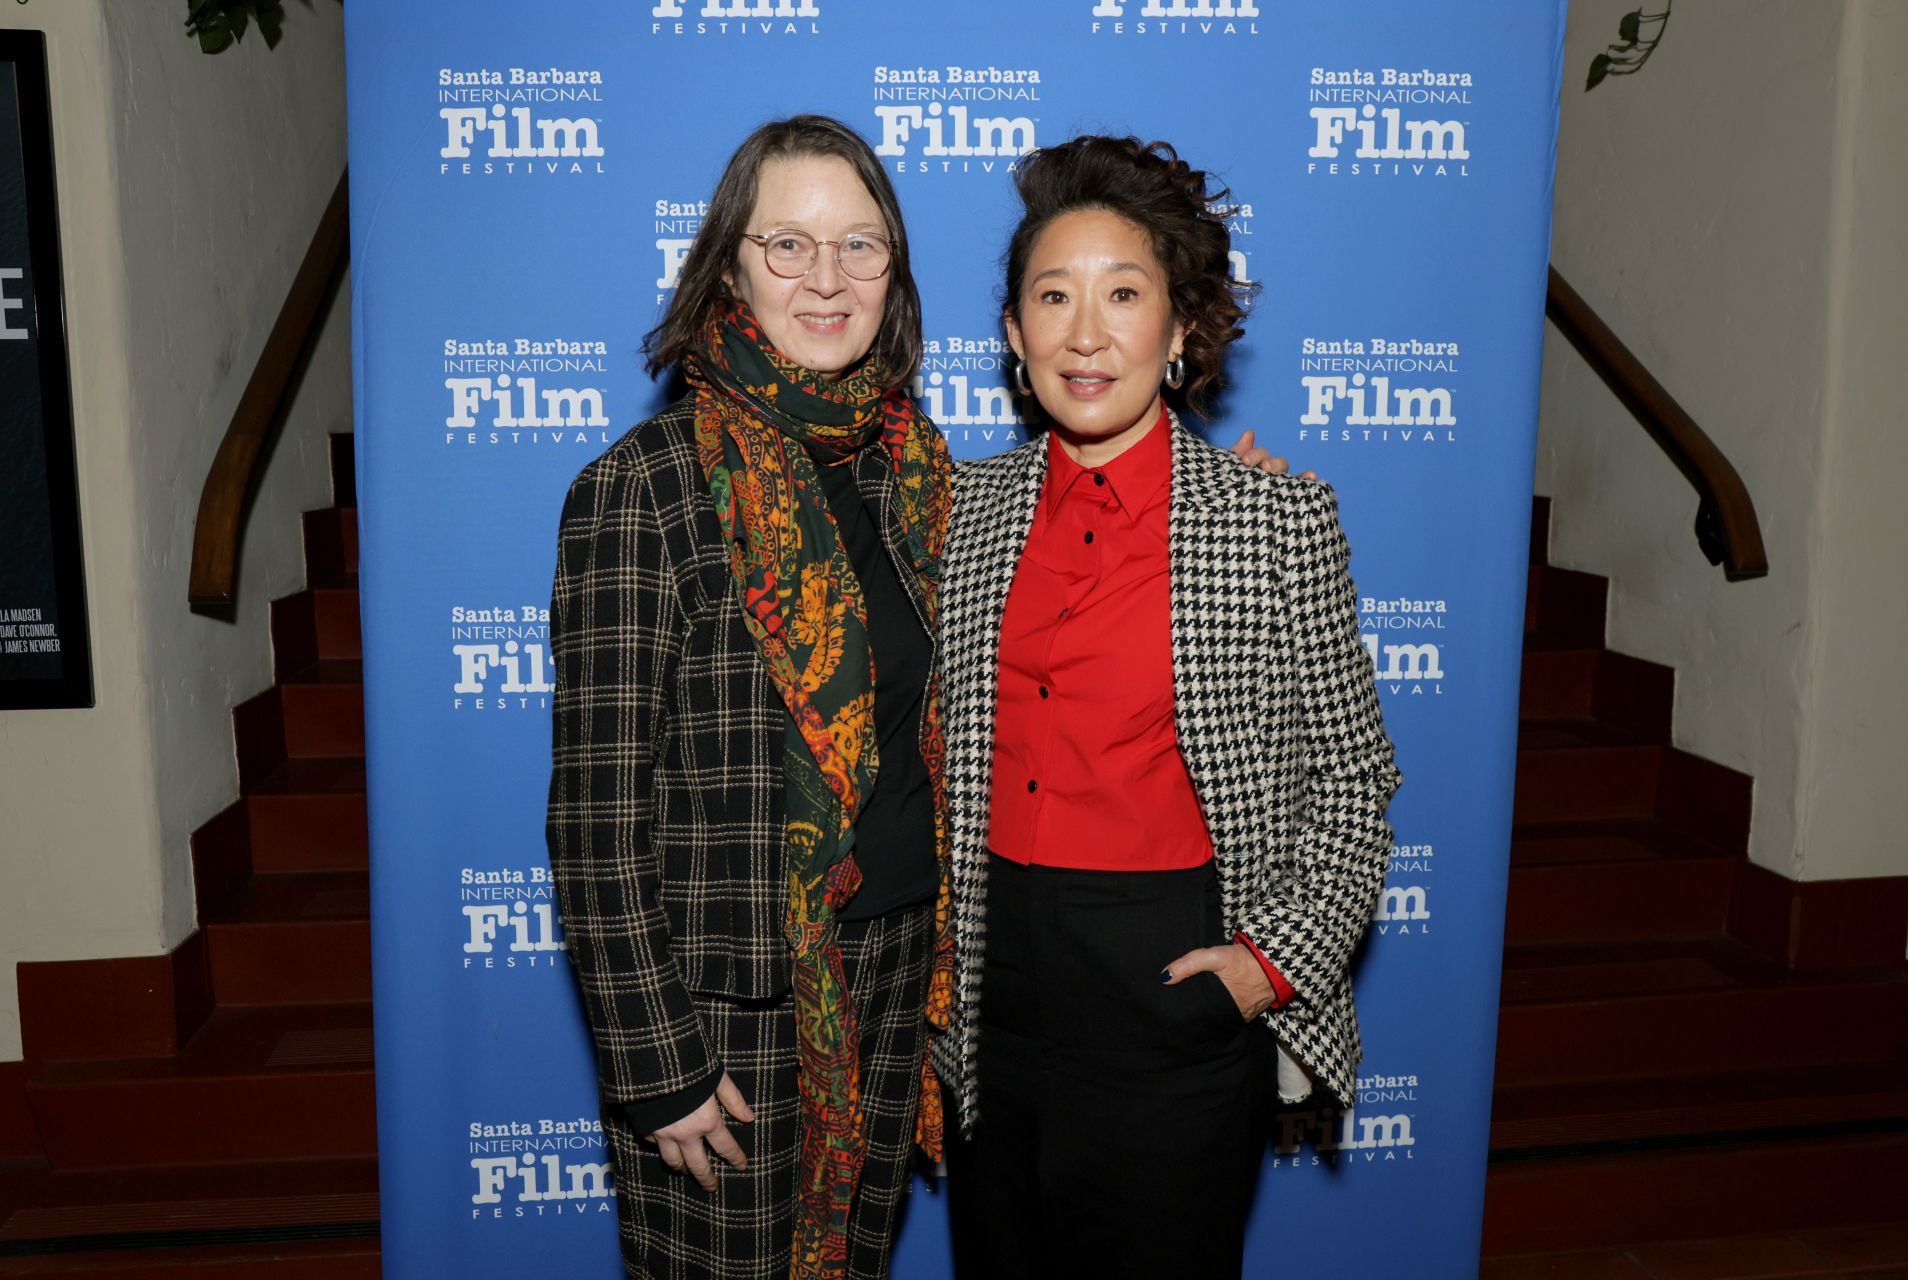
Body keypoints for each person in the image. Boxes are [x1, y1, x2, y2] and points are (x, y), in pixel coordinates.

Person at [547, 114, 1289, 1280]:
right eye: (787, 245)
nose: (826, 278)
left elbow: (1110, 540)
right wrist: (658, 1061)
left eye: (860, 246)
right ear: (727, 263)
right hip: (730, 1014)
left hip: (907, 987)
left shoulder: (923, 472)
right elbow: (595, 818)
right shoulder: (643, 488)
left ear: (895, 270)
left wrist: (1226, 507)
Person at [932, 135, 1401, 1280]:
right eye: (1053, 296)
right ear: (1012, 334)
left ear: (1181, 330)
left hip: (1175, 984)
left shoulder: (1275, 521)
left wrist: (1265, 966)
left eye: (1123, 294)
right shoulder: (958, 510)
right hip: (994, 996)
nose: (1085, 333)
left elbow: (1355, 778)